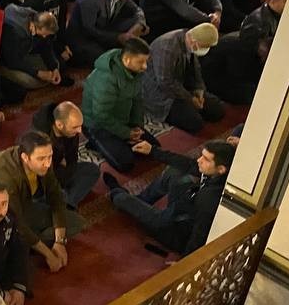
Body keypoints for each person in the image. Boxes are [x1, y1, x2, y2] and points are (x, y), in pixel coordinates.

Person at [0, 130, 84, 274]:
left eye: (50, 157)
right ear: (25, 158)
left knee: (76, 222)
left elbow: (56, 197)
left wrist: (60, 241)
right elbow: (16, 222)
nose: (47, 163)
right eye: (41, 159)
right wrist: (49, 254)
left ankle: (29, 244)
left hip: (24, 206)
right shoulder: (5, 177)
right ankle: (23, 247)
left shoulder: (43, 160)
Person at [104, 140, 234, 255]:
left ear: (221, 169)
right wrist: (152, 151)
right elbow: (188, 164)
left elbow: (199, 235)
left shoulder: (209, 199)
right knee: (174, 171)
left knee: (121, 199)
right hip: (184, 206)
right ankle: (142, 200)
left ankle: (117, 191)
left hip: (172, 227)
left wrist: (184, 263)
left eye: (206, 159)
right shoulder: (216, 174)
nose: (199, 160)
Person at [81, 37, 159, 173]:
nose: (145, 66)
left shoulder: (135, 71)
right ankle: (95, 143)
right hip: (97, 125)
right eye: (141, 62)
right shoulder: (107, 79)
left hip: (121, 119)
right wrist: (126, 133)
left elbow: (137, 100)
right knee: (126, 164)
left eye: (146, 61)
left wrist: (137, 126)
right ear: (127, 60)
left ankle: (118, 143)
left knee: (153, 149)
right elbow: (101, 115)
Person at [140, 24, 226, 134]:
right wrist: (190, 99)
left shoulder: (189, 42)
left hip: (181, 84)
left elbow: (196, 69)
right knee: (195, 123)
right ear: (193, 42)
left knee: (217, 111)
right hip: (161, 93)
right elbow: (165, 82)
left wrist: (199, 90)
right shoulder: (167, 48)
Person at [66, 0, 147, 66]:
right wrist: (117, 37)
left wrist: (140, 24)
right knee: (111, 62)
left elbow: (137, 11)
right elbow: (89, 30)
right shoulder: (91, 0)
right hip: (85, 40)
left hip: (104, 31)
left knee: (135, 21)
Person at [29, 100, 100, 207]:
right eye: (75, 127)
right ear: (59, 124)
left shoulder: (70, 132)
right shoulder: (37, 140)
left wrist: (64, 170)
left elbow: (72, 159)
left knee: (93, 170)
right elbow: (41, 175)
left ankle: (66, 203)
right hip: (41, 184)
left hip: (59, 173)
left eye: (80, 126)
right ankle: (62, 203)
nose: (80, 131)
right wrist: (62, 167)